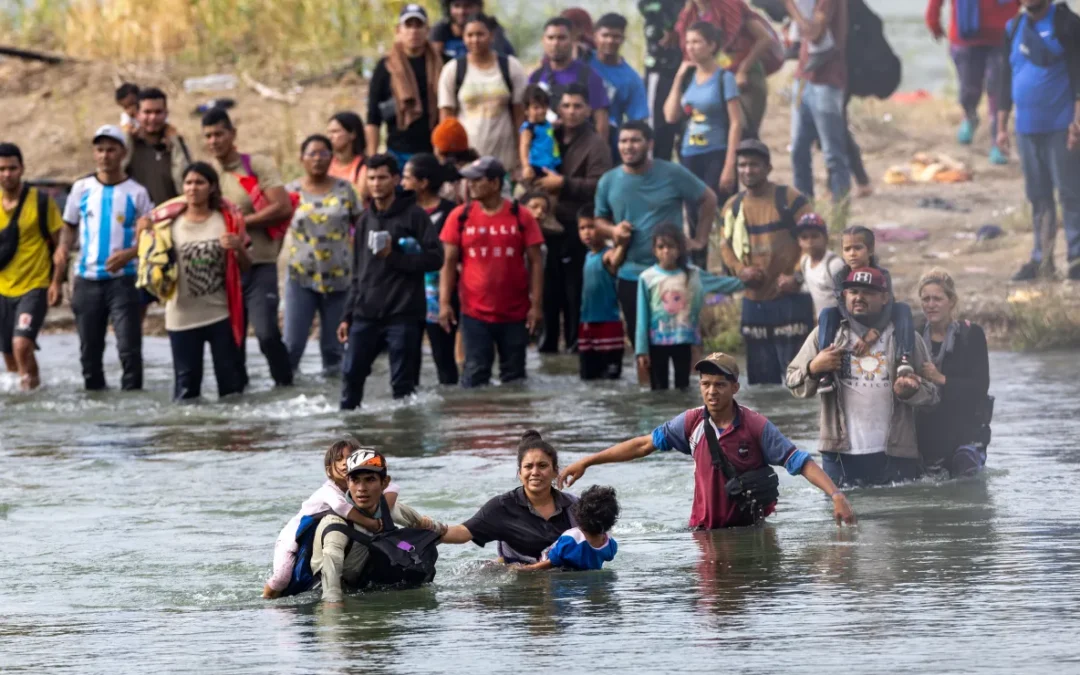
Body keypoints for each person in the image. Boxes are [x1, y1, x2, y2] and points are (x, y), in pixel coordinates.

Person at [559, 352, 856, 529]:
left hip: (749, 532)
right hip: (704, 532)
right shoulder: (690, 423)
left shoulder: (755, 426)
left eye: (719, 385)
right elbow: (642, 445)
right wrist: (588, 461)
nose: (711, 391)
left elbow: (800, 462)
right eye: (705, 384)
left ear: (735, 388)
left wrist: (836, 496)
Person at [786, 267, 939, 487]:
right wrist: (813, 367)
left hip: (896, 455)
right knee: (842, 519)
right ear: (844, 296)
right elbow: (792, 382)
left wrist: (913, 390)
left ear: (885, 298)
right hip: (839, 456)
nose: (859, 297)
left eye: (868, 292)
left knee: (901, 519)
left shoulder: (906, 339)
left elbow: (933, 395)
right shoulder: (825, 336)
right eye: (853, 291)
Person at [594, 121, 718, 352]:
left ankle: (681, 388)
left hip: (672, 275)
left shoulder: (671, 172)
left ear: (649, 144)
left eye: (635, 140)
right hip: (631, 274)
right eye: (623, 141)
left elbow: (708, 198)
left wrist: (699, 239)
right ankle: (649, 388)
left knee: (680, 345)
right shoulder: (608, 181)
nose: (628, 146)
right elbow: (599, 220)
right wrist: (613, 230)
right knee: (640, 346)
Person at [338, 154, 443, 410]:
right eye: (371, 178)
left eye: (382, 177)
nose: (376, 184)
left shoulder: (415, 216)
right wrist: (347, 315)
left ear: (396, 179)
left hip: (403, 314)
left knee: (403, 388)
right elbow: (357, 273)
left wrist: (394, 257)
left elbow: (435, 258)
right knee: (350, 378)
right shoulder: (364, 220)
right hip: (366, 314)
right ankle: (349, 441)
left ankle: (404, 443)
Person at [202, 107, 295, 388]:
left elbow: (283, 206)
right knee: (233, 339)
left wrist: (240, 223)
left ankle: (286, 388)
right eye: (208, 136)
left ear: (232, 134)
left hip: (260, 263)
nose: (214, 141)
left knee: (266, 334)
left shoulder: (256, 165)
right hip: (223, 269)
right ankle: (238, 403)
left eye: (219, 133)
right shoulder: (208, 174)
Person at [141, 162, 249, 401]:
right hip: (181, 317)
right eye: (188, 182)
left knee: (231, 390)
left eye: (200, 182)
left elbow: (245, 268)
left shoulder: (226, 220)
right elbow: (152, 261)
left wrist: (238, 248)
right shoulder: (168, 224)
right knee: (186, 393)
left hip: (220, 314)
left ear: (211, 188)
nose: (193, 188)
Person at [58, 125, 152, 391]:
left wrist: (130, 254)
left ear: (122, 152)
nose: (105, 156)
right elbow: (69, 227)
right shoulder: (81, 188)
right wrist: (62, 265)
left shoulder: (137, 192)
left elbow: (151, 235)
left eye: (111, 150)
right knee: (90, 353)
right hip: (87, 280)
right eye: (100, 150)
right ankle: (96, 414)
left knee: (129, 349)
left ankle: (133, 408)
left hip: (124, 280)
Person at [438, 156, 544, 388]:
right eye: (469, 181)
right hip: (474, 312)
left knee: (515, 377)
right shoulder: (460, 216)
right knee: (474, 375)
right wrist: (444, 303)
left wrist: (536, 306)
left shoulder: (521, 215)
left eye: (477, 180)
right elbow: (448, 262)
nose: (471, 185)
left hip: (515, 313)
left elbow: (536, 262)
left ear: (495, 183)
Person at [719, 139, 815, 385]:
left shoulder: (789, 198)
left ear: (768, 168)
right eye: (742, 165)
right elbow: (725, 246)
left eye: (754, 165)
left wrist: (796, 276)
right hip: (755, 302)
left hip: (791, 298)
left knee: (799, 379)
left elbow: (814, 241)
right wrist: (741, 271)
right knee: (762, 383)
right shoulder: (733, 206)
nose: (747, 170)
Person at [997, 0, 1080, 281]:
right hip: (1026, 128)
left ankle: (1076, 259)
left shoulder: (1067, 24)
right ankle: (1042, 261)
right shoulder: (1014, 27)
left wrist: (1077, 122)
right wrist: (1000, 126)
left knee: (1071, 195)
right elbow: (1005, 78)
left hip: (1062, 127)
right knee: (1038, 197)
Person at [262, 439, 402, 599]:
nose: (344, 463)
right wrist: (371, 523)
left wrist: (383, 508)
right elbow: (341, 507)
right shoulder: (328, 491)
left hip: (320, 536)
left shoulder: (360, 490)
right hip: (292, 537)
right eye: (338, 459)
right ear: (329, 471)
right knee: (282, 578)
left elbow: (392, 488)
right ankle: (267, 598)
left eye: (349, 458)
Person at [310, 448, 446, 605]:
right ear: (347, 482)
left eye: (370, 480)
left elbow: (436, 530)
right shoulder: (335, 528)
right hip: (327, 595)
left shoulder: (389, 509)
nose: (362, 488)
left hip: (371, 587)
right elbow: (331, 597)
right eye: (355, 480)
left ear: (385, 483)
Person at [537, 83, 614, 354]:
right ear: (558, 109)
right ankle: (547, 344)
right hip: (546, 222)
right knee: (548, 288)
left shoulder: (596, 144)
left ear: (589, 110)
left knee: (574, 288)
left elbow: (600, 184)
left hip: (577, 224)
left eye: (578, 106)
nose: (571, 112)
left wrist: (564, 183)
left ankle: (574, 343)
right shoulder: (548, 134)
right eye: (567, 106)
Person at [664, 21, 744, 266]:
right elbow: (670, 116)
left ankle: (732, 271)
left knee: (724, 214)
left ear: (712, 46)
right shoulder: (688, 78)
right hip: (689, 154)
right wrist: (678, 78)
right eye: (687, 42)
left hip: (716, 153)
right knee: (693, 216)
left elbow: (736, 123)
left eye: (697, 42)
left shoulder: (724, 78)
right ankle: (700, 272)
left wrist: (730, 165)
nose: (691, 47)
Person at [440, 430, 580, 564]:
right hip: (518, 583)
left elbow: (598, 543)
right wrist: (426, 526)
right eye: (528, 467)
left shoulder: (575, 507)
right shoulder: (503, 507)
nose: (535, 472)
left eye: (542, 466)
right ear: (520, 473)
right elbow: (462, 533)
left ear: (555, 471)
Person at [284, 135, 361, 376]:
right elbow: (275, 232)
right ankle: (285, 399)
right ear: (301, 159)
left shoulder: (345, 189)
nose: (317, 159)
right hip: (301, 278)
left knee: (334, 350)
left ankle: (335, 404)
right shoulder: (290, 192)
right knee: (292, 346)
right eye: (312, 154)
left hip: (339, 279)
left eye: (323, 154)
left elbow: (362, 227)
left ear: (332, 158)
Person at [636, 223, 743, 391]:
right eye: (661, 247)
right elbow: (642, 317)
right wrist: (641, 350)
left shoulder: (692, 274)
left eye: (671, 246)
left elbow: (721, 284)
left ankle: (683, 417)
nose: (666, 251)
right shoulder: (647, 277)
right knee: (658, 389)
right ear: (654, 250)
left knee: (683, 387)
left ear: (679, 249)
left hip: (684, 340)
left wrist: (748, 282)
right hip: (657, 342)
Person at [815, 226, 917, 393]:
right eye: (847, 249)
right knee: (827, 313)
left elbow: (888, 305)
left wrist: (875, 332)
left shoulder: (882, 274)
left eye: (857, 248)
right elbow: (844, 308)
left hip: (879, 316)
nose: (852, 253)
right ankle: (825, 370)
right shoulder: (840, 276)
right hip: (851, 317)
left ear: (870, 250)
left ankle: (904, 359)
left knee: (903, 308)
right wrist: (862, 333)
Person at [915, 268, 992, 478]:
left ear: (952, 301)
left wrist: (940, 378)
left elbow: (980, 387)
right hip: (927, 432)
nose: (931, 305)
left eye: (937, 299)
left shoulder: (971, 334)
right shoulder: (915, 333)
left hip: (965, 431)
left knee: (964, 469)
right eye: (926, 299)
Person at [0, 143, 64, 391]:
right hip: (3, 289)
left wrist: (57, 282)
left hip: (34, 285)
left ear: (22, 168)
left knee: (21, 345)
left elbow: (60, 246)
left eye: (12, 168)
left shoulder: (40, 201)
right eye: (2, 169)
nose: (7, 174)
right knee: (8, 354)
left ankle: (31, 394)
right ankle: (31, 391)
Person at [926, 0, 1019, 163]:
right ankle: (970, 117)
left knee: (998, 91)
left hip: (1003, 36)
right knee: (969, 89)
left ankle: (998, 142)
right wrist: (933, 21)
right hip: (965, 37)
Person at [672, 0, 783, 136]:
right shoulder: (689, 14)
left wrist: (742, 70)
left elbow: (765, 38)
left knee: (744, 133)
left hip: (744, 79)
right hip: (712, 82)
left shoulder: (731, 5)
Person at [437, 13, 527, 174]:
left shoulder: (511, 67)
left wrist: (522, 159)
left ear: (491, 35)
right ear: (463, 37)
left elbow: (520, 117)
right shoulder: (453, 70)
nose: (475, 40)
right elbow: (446, 120)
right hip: (466, 164)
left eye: (480, 34)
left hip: (505, 161)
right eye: (470, 35)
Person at [784, 0, 851, 204]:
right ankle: (804, 208)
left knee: (832, 153)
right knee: (797, 148)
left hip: (826, 81)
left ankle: (840, 209)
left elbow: (814, 32)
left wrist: (790, 6)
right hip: (804, 78)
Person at [401, 153, 460, 385]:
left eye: (406, 178)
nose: (402, 183)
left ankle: (451, 411)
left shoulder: (451, 212)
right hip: (405, 297)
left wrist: (446, 302)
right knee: (407, 361)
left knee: (444, 359)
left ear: (423, 183)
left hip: (441, 296)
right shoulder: (401, 210)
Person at [365, 5, 442, 169]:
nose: (414, 31)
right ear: (398, 30)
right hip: (398, 153)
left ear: (427, 30)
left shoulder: (442, 63)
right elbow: (373, 117)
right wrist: (372, 160)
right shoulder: (385, 66)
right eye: (408, 25)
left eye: (419, 25)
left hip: (435, 151)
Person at [528, 17, 611, 141]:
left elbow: (601, 120)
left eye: (562, 38)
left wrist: (599, 152)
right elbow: (528, 119)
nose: (555, 43)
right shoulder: (536, 77)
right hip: (546, 153)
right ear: (543, 41)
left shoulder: (589, 76)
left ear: (572, 40)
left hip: (581, 149)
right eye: (550, 38)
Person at [589, 13, 650, 158]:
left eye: (616, 36)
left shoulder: (631, 78)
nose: (610, 40)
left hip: (610, 142)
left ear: (623, 39)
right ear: (595, 36)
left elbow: (638, 119)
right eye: (605, 35)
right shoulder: (582, 60)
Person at [518, 485, 619, 571]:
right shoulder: (609, 542)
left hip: (555, 569)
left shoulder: (572, 539)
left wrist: (526, 569)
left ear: (579, 513)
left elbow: (550, 563)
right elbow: (608, 557)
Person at [577, 205, 627, 381]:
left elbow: (615, 259)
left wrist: (622, 241)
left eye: (591, 227)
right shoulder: (588, 256)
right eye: (582, 228)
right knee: (587, 376)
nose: (586, 232)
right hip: (587, 325)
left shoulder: (607, 254)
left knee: (610, 377)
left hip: (608, 325)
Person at [123, 88, 192, 206]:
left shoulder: (175, 146)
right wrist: (127, 138)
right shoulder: (129, 145)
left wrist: (175, 143)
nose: (153, 118)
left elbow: (185, 185)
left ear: (166, 114)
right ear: (138, 114)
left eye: (158, 112)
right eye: (147, 112)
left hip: (170, 217)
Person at [795, 212, 844, 318]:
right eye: (804, 237)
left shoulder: (833, 265)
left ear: (825, 238)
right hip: (821, 321)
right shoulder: (805, 262)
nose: (810, 241)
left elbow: (846, 298)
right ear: (799, 242)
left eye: (815, 236)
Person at [430, 0, 516, 60]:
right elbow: (433, 62)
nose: (461, 11)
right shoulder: (440, 30)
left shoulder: (492, 29)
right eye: (457, 6)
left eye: (467, 6)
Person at [519, 85, 562, 185]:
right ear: (526, 110)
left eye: (544, 106)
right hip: (537, 166)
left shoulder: (547, 124)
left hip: (551, 164)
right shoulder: (529, 128)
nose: (541, 111)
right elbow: (524, 146)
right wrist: (526, 166)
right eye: (536, 107)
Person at [326, 112, 368, 200]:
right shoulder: (326, 163)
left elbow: (359, 198)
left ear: (352, 134)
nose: (330, 137)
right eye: (329, 132)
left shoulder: (364, 165)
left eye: (335, 131)